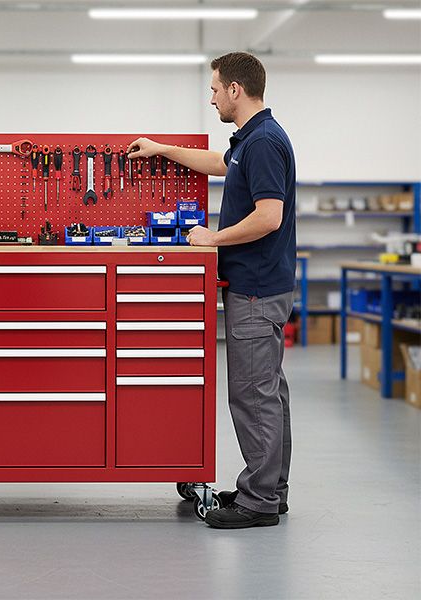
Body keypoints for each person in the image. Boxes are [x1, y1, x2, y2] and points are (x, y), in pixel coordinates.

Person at [127, 52, 296, 529]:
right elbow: (220, 163)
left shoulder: (262, 142)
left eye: (216, 88)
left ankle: (258, 502)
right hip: (265, 285)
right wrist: (162, 149)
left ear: (236, 90)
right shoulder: (254, 139)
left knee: (252, 395)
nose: (212, 96)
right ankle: (270, 489)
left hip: (256, 290)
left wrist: (213, 237)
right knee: (269, 394)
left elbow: (269, 216)